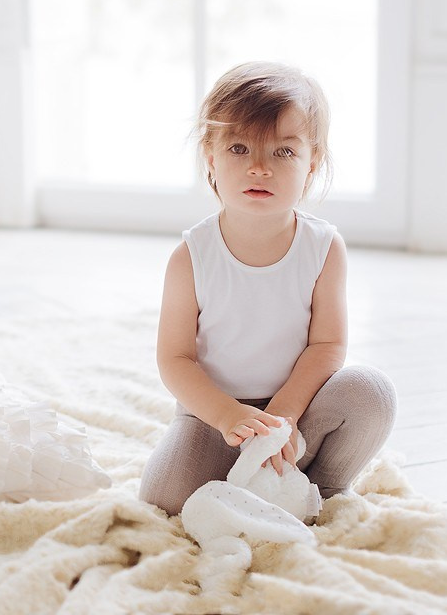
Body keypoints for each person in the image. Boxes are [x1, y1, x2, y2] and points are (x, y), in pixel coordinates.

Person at [139, 61, 397, 517]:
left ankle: (318, 486)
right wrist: (227, 416)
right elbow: (174, 360)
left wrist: (285, 415)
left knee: (370, 392)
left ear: (311, 162)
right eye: (239, 148)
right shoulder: (191, 256)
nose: (259, 168)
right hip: (214, 416)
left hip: (297, 409)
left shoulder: (323, 248)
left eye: (283, 153)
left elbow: (328, 344)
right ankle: (251, 480)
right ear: (211, 158)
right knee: (165, 497)